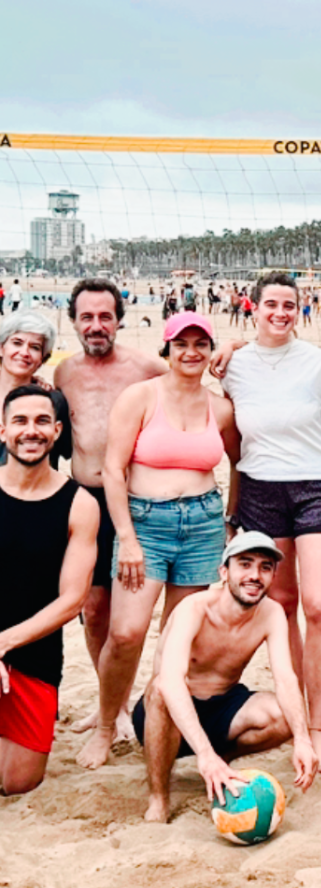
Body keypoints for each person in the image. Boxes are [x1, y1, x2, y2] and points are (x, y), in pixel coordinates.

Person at [78, 313, 240, 770]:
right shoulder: (141, 397)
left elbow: (237, 462)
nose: (191, 352)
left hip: (203, 524)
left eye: (201, 344)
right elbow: (113, 469)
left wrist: (230, 517)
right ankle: (108, 725)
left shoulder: (220, 407)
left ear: (210, 351)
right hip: (146, 522)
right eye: (181, 344)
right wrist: (126, 537)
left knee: (178, 640)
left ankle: (158, 725)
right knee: (126, 633)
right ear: (166, 350)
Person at [219, 272, 321, 771]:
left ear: (301, 309)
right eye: (270, 303)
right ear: (252, 307)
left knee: (317, 605)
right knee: (282, 602)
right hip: (260, 487)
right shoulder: (232, 365)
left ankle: (316, 728)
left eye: (289, 305)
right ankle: (296, 719)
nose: (280, 312)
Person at [134, 531, 318, 821]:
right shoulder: (194, 607)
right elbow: (170, 681)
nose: (254, 575)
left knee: (284, 715)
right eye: (245, 564)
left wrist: (303, 739)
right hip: (168, 712)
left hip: (222, 706)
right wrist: (203, 755)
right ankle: (158, 797)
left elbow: (286, 678)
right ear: (224, 571)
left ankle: (223, 759)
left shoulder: (271, 613)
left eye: (265, 567)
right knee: (160, 688)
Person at [53, 279, 167, 739]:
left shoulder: (146, 367)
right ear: (75, 322)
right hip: (85, 500)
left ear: (120, 318)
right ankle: (111, 705)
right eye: (87, 317)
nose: (96, 326)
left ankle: (123, 705)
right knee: (94, 609)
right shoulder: (65, 373)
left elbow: (194, 375)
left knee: (127, 618)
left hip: (134, 502)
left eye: (105, 316)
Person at [0, 385, 99, 794]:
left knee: (15, 783)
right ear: (3, 430)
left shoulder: (79, 503)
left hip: (35, 656)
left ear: (57, 431)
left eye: (42, 421)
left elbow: (72, 599)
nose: (31, 431)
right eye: (20, 421)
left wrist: (3, 643)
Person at [0, 310, 72, 468]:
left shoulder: (53, 401)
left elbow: (64, 451)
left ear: (42, 359)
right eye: (17, 343)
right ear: (1, 348)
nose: (24, 352)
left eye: (35, 347)